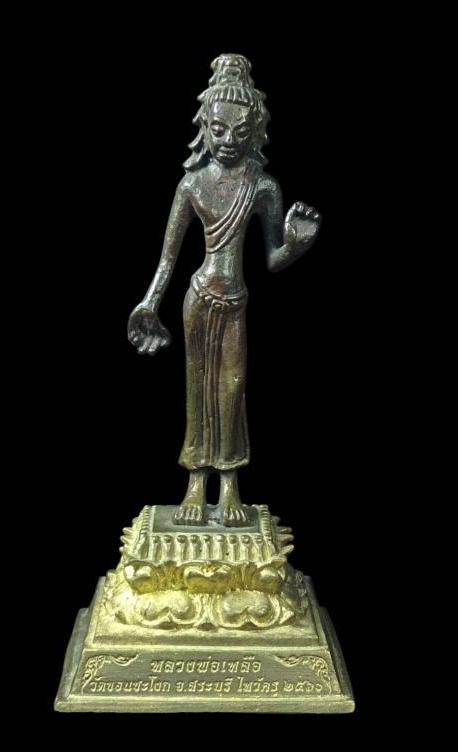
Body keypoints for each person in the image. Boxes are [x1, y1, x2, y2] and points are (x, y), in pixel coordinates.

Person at [128, 54, 320, 527]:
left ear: (255, 132)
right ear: (204, 129)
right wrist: (149, 302)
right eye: (218, 130)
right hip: (198, 301)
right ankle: (196, 484)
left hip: (235, 304)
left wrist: (296, 245)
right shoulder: (192, 184)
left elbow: (272, 259)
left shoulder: (263, 187)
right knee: (197, 391)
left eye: (239, 131)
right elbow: (168, 257)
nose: (228, 140)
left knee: (232, 392)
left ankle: (230, 485)